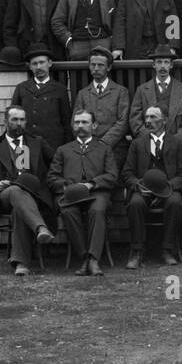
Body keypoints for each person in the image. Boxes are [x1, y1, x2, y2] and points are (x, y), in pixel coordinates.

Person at [0, 105, 57, 276]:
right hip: (5, 195)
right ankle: (40, 228)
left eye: (22, 120)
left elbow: (57, 165)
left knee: (20, 206)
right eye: (14, 120)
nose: (19, 123)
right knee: (16, 191)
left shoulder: (37, 143)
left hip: (34, 196)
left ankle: (21, 263)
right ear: (6, 122)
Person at [48, 109, 118, 276]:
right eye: (77, 122)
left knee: (97, 209)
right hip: (72, 194)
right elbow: (52, 177)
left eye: (85, 122)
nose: (80, 126)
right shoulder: (63, 150)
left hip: (96, 192)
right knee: (68, 211)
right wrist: (66, 187)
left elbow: (112, 175)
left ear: (94, 126)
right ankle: (83, 257)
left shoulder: (104, 149)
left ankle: (93, 259)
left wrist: (92, 184)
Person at [121, 105, 182, 268]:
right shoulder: (137, 144)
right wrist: (137, 185)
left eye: (153, 117)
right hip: (143, 188)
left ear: (164, 120)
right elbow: (127, 173)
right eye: (146, 117)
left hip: (169, 188)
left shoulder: (178, 143)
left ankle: (168, 249)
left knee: (175, 203)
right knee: (135, 204)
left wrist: (167, 186)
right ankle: (137, 251)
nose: (148, 121)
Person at [72, 46, 131, 169]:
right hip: (87, 148)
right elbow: (75, 122)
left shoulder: (120, 92)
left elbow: (123, 122)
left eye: (100, 65)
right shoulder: (83, 93)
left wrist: (103, 143)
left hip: (115, 148)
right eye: (93, 65)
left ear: (108, 67)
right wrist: (89, 143)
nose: (96, 68)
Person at [10, 44, 71, 154]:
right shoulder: (21, 88)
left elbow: (66, 122)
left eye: (42, 62)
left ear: (49, 63)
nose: (38, 67)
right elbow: (13, 120)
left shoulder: (60, 89)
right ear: (30, 66)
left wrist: (66, 149)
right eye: (35, 63)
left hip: (53, 147)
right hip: (26, 147)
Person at [129, 44, 182, 137]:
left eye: (166, 62)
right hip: (149, 144)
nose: (162, 66)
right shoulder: (142, 90)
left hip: (176, 145)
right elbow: (135, 121)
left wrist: (174, 142)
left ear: (171, 65)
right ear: (154, 65)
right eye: (159, 62)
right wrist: (151, 139)